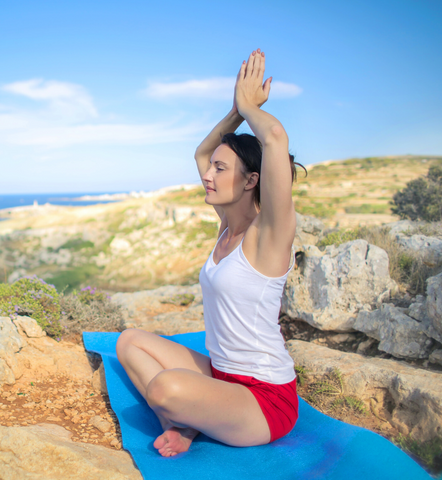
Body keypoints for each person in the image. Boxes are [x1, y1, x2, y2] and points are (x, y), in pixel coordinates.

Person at [116, 48, 303, 458]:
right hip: (221, 376)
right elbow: (203, 151)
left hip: (265, 399)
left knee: (164, 387)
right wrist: (235, 112)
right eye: (211, 168)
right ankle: (183, 423)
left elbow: (274, 138)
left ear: (252, 180)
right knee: (129, 341)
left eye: (221, 169)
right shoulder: (226, 225)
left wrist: (251, 106)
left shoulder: (268, 235)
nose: (207, 174)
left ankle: (184, 416)